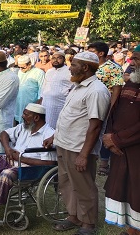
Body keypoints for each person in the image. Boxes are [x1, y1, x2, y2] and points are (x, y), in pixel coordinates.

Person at [43, 51, 110, 235]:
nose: (70, 68)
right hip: (64, 144)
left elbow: (95, 126)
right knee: (66, 183)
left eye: (73, 64)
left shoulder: (97, 90)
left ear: (85, 67)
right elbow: (69, 117)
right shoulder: (78, 86)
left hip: (79, 148)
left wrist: (84, 155)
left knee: (83, 186)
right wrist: (55, 136)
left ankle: (88, 223)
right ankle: (73, 216)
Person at [103, 45, 140, 235]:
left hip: (135, 151)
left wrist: (118, 139)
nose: (133, 63)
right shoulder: (131, 83)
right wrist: (109, 136)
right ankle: (131, 229)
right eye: (133, 59)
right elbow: (115, 110)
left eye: (138, 59)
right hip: (120, 150)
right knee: (124, 190)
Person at [88, 41, 124, 176]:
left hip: (105, 105)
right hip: (89, 105)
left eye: (92, 52)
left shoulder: (113, 67)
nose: (88, 54)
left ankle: (103, 162)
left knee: (103, 132)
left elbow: (117, 88)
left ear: (101, 53)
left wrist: (111, 109)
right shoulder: (90, 66)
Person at [37, 51, 73, 128]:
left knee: (56, 126)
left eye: (59, 58)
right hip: (46, 103)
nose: (55, 60)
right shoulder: (49, 71)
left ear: (64, 60)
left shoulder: (69, 71)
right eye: (53, 58)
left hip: (60, 104)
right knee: (45, 125)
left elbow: (73, 88)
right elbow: (44, 86)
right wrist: (41, 99)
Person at [15, 55, 45, 124]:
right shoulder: (20, 71)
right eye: (19, 67)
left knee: (29, 122)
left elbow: (42, 88)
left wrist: (39, 101)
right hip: (19, 101)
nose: (21, 69)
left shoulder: (39, 72)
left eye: (23, 67)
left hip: (31, 102)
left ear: (29, 64)